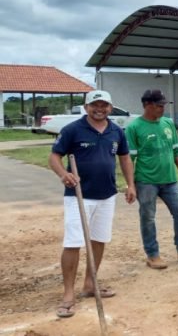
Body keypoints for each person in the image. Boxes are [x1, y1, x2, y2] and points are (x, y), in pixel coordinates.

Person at [48, 90, 136, 318]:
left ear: (110, 107)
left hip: (107, 195)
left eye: (104, 105)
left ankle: (89, 284)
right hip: (78, 195)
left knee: (99, 240)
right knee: (73, 242)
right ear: (86, 107)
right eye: (95, 105)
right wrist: (63, 174)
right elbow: (54, 156)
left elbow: (124, 157)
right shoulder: (72, 130)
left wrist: (131, 185)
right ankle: (68, 294)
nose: (100, 109)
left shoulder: (117, 131)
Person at [125, 89, 178, 270]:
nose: (162, 109)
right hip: (146, 181)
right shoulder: (134, 127)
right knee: (148, 218)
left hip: (170, 180)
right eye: (159, 105)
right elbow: (129, 159)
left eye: (163, 105)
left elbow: (176, 151)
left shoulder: (168, 123)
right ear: (147, 105)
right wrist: (131, 185)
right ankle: (152, 255)